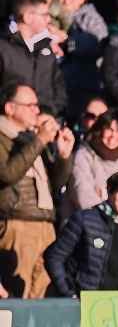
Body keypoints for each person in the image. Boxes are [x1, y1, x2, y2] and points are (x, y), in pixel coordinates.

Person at [0, 83, 74, 299]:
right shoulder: (4, 137)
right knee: (17, 295)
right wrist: (40, 139)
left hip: (46, 224)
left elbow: (56, 182)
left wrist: (63, 156)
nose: (36, 110)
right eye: (30, 105)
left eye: (37, 105)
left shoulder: (30, 139)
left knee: (41, 294)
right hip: (17, 223)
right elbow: (7, 174)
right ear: (10, 108)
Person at [45, 170, 118, 298]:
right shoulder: (83, 220)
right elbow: (54, 256)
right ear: (109, 191)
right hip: (86, 302)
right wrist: (68, 292)